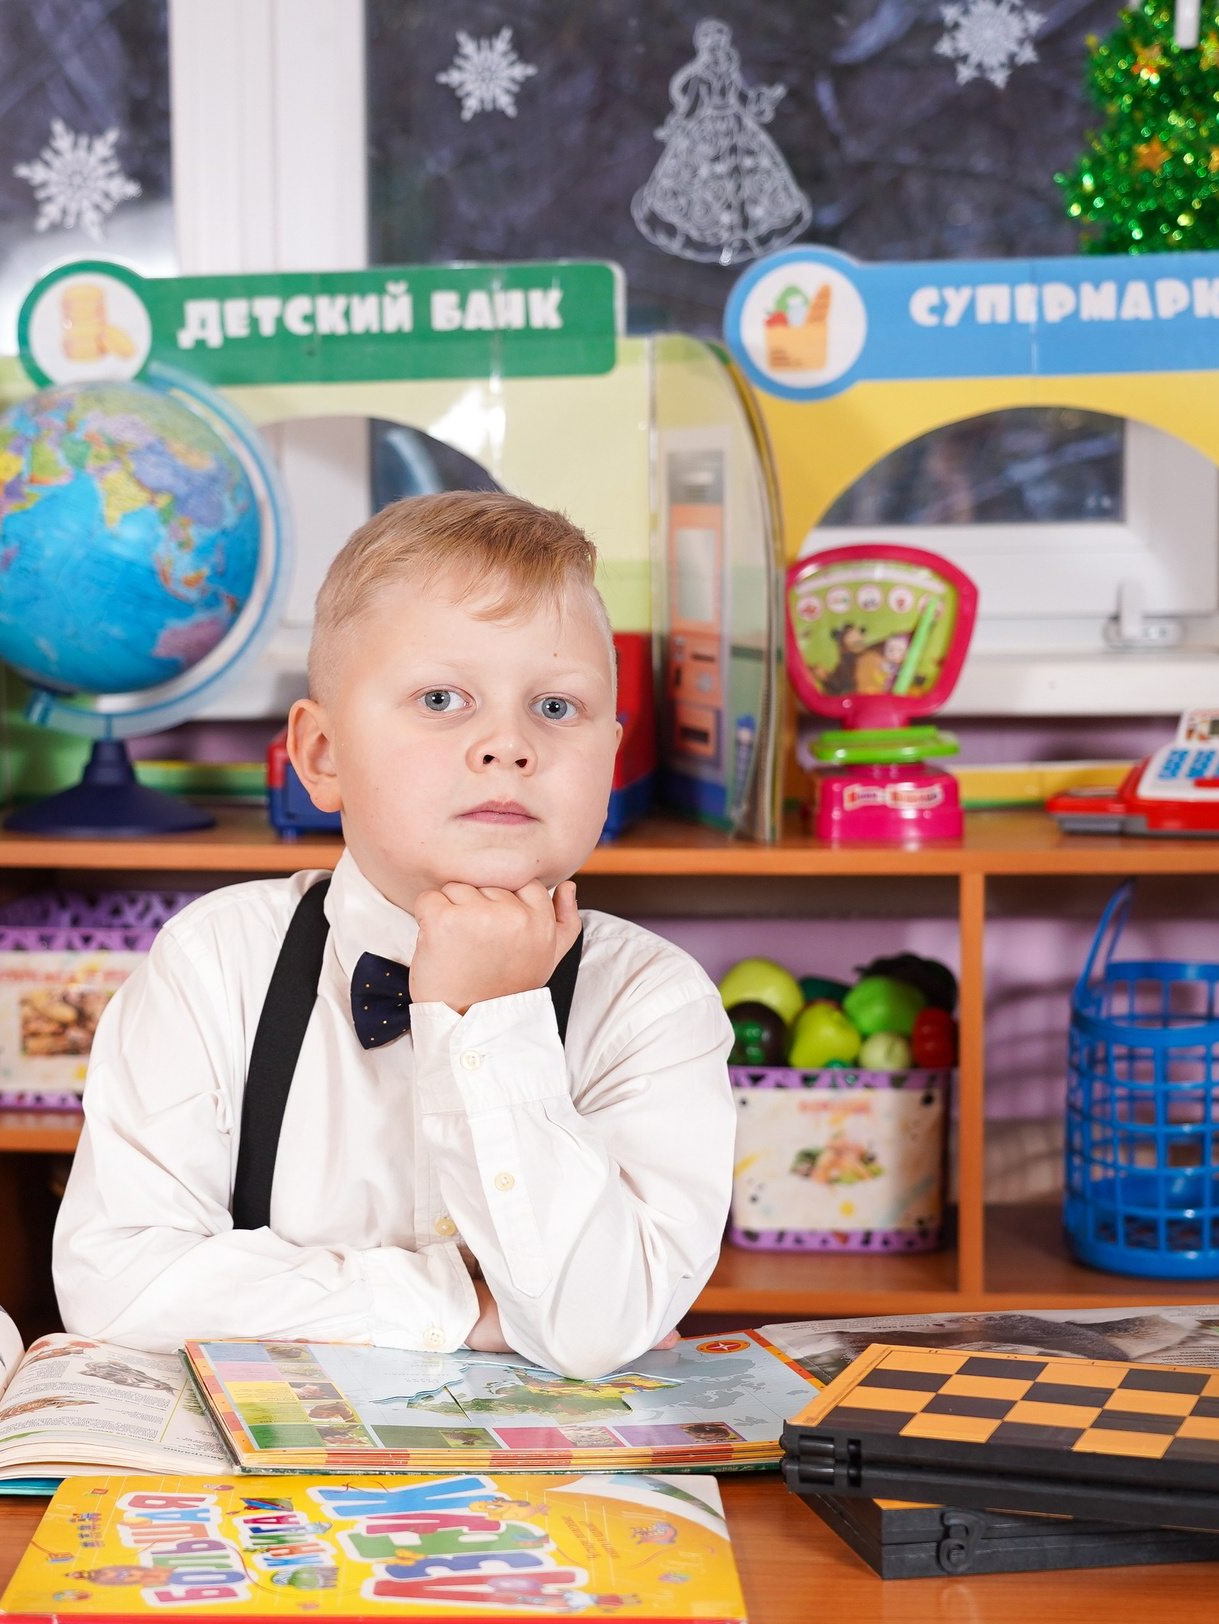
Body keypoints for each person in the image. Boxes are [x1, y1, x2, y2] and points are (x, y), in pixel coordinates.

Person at [51, 492, 734, 1380]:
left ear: (612, 751)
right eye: (442, 698)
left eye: (557, 708)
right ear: (323, 754)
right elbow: (116, 1287)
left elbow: (596, 1323)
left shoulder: (653, 1002)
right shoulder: (216, 963)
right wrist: (461, 1308)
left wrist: (490, 1016)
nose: (507, 744)